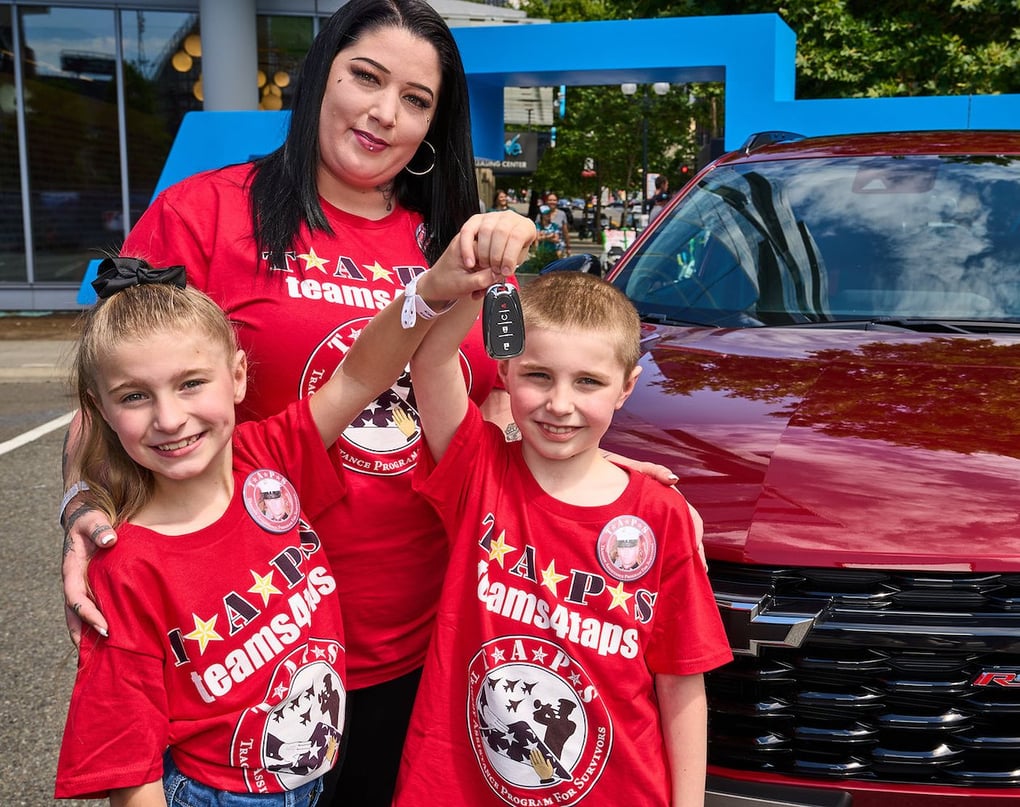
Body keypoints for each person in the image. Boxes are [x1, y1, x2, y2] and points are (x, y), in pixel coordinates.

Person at [59, 2, 675, 803]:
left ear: (434, 125)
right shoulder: (205, 213)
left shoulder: (457, 250)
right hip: (242, 639)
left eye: (417, 100)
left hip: (426, 636)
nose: (385, 113)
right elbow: (111, 390)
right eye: (366, 77)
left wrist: (616, 479)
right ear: (321, 76)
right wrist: (82, 504)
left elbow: (513, 404)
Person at [56, 234, 526, 805]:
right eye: (134, 396)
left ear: (238, 376)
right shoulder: (125, 566)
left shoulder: (268, 459)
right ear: (99, 408)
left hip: (317, 769)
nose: (169, 417)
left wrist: (427, 293)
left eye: (190, 383)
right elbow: (131, 769)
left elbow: (359, 375)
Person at [394, 271, 733, 806]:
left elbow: (681, 680)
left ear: (627, 387)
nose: (559, 403)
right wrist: (481, 281)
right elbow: (432, 358)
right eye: (538, 375)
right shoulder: (476, 470)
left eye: (588, 382)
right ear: (503, 371)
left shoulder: (660, 515)